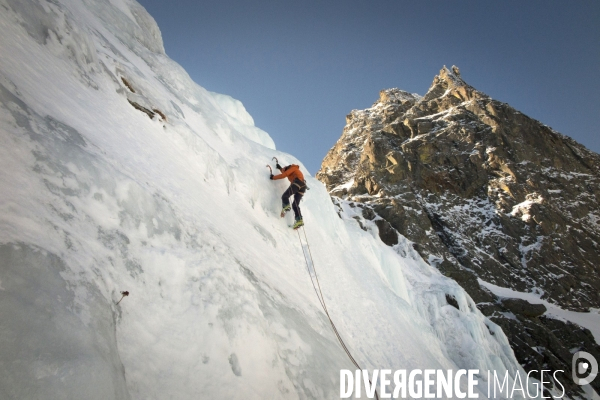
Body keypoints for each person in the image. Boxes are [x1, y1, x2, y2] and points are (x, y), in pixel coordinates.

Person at [270, 162, 306, 229]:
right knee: (295, 204)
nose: (283, 170)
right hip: (302, 187)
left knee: (285, 196)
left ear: (287, 168)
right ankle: (299, 220)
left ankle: (286, 206)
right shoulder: (291, 173)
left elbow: (284, 174)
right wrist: (280, 168)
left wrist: (273, 177)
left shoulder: (293, 168)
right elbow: (285, 173)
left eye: (284, 169)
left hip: (297, 183)